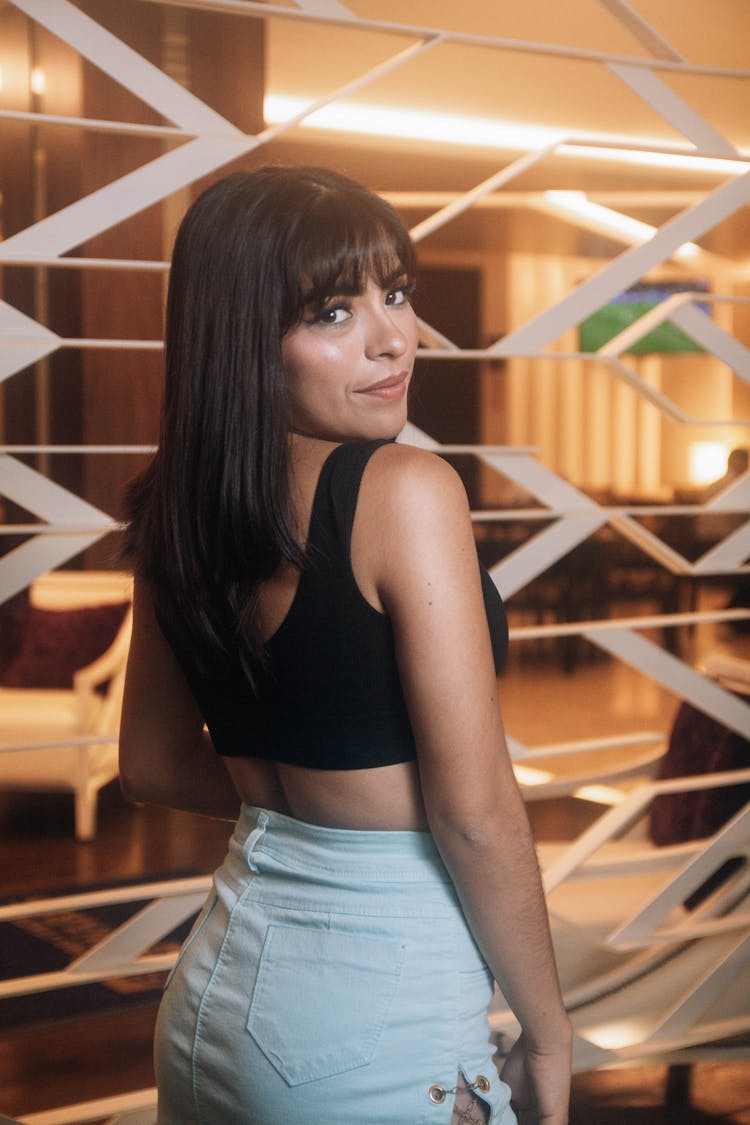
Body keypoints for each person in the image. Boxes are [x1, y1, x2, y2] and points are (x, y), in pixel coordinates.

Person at [119, 165, 572, 1125]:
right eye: (332, 312)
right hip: (371, 1010)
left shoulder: (174, 507)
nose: (393, 337)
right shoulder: (404, 488)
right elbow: (476, 813)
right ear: (244, 343)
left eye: (396, 292)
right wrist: (549, 1034)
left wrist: (301, 795)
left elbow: (153, 763)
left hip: (216, 997)